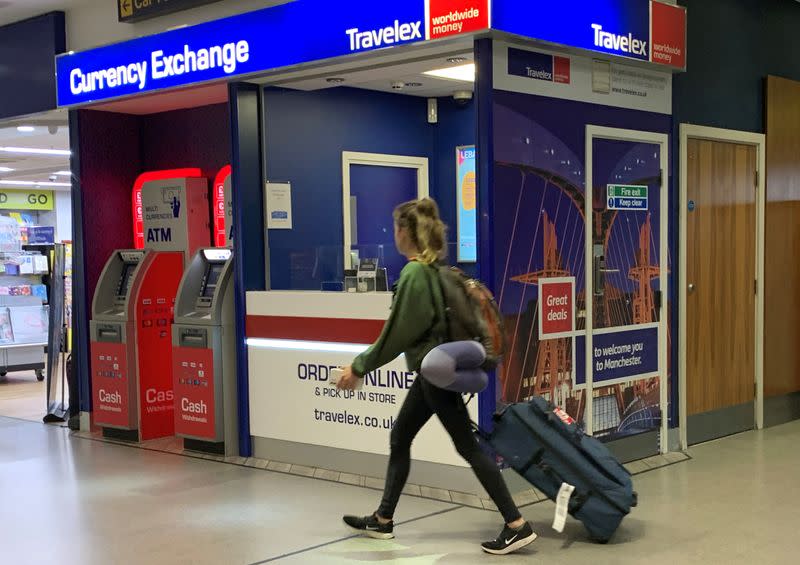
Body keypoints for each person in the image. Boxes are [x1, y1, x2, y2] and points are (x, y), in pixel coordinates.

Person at [338, 198, 538, 556]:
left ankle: (515, 524)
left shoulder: (415, 274)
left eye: (396, 227)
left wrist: (359, 366)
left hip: (435, 374)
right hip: (433, 370)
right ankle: (383, 520)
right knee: (401, 436)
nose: (394, 234)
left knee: (467, 447)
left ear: (406, 232)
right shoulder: (435, 269)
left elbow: (396, 334)